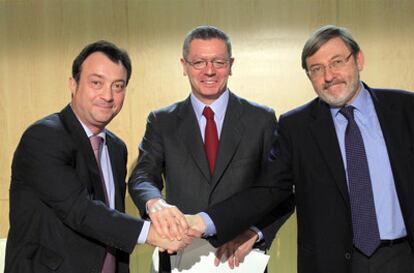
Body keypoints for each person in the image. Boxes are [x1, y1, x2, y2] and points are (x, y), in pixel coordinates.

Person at [188, 25, 414, 273]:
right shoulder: (296, 127)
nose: (329, 76)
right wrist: (204, 221)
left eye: (337, 62)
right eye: (317, 69)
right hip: (331, 264)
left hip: (402, 256)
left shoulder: (405, 109)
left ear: (358, 60)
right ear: (309, 76)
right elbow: (267, 190)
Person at [4, 40, 191, 273]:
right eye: (96, 83)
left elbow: (111, 217)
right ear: (73, 84)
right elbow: (79, 210)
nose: (107, 95)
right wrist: (151, 234)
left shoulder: (116, 147)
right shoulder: (43, 137)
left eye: (118, 86)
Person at [128, 25, 293, 272]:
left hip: (242, 260)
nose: (209, 71)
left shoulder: (262, 119)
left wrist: (255, 233)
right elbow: (142, 176)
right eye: (199, 62)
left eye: (218, 62)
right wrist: (155, 203)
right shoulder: (162, 121)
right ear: (184, 66)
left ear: (231, 64)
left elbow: (281, 188)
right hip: (178, 257)